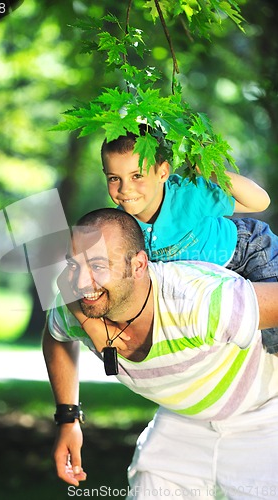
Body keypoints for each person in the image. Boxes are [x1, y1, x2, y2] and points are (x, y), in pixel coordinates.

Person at [43, 208, 278, 499]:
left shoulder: (198, 300)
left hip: (265, 418)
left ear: (139, 265)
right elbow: (56, 336)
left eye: (98, 266)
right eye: (74, 265)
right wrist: (68, 418)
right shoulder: (78, 308)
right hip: (181, 424)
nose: (80, 283)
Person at [66, 126, 278, 355]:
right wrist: (93, 327)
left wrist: (210, 170)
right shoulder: (120, 227)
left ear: (163, 172)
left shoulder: (188, 192)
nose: (125, 189)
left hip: (247, 253)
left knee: (275, 336)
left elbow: (259, 202)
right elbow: (66, 280)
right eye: (114, 178)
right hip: (205, 280)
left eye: (137, 176)